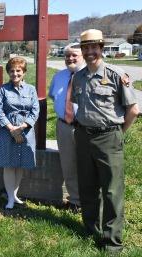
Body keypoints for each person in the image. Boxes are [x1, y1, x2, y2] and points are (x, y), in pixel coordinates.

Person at [71, 29, 139, 252]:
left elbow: (133, 110)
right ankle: (91, 229)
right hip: (83, 137)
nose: (90, 51)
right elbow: (77, 105)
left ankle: (112, 242)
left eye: (94, 47)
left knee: (111, 191)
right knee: (87, 187)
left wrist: (119, 133)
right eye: (86, 47)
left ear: (101, 48)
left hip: (108, 137)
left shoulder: (116, 74)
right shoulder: (78, 77)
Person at [0, 57, 40, 209]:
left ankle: (14, 195)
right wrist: (11, 129)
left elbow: (35, 110)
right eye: (12, 71)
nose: (15, 73)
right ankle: (9, 199)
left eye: (18, 70)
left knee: (20, 163)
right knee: (8, 164)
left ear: (24, 72)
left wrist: (22, 127)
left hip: (25, 130)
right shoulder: (3, 89)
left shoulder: (31, 89)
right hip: (7, 131)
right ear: (8, 72)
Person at [48, 44, 85, 212]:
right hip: (64, 126)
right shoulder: (59, 76)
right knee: (68, 164)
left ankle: (90, 201)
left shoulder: (90, 75)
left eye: (74, 55)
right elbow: (53, 95)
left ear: (82, 55)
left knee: (86, 165)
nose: (70, 59)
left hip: (85, 128)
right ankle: (75, 201)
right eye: (67, 56)